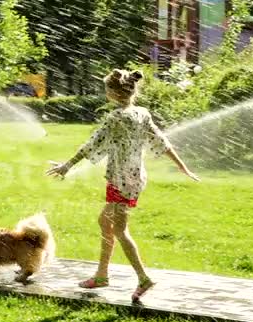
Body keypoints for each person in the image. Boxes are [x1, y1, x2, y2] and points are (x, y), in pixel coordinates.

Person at [46, 68, 200, 302]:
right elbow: (161, 141)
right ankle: (101, 274)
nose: (105, 92)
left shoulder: (116, 118)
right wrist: (182, 166)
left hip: (120, 179)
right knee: (105, 221)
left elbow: (92, 144)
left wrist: (67, 166)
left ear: (113, 93)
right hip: (135, 178)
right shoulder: (142, 114)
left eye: (106, 89)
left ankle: (143, 278)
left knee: (119, 230)